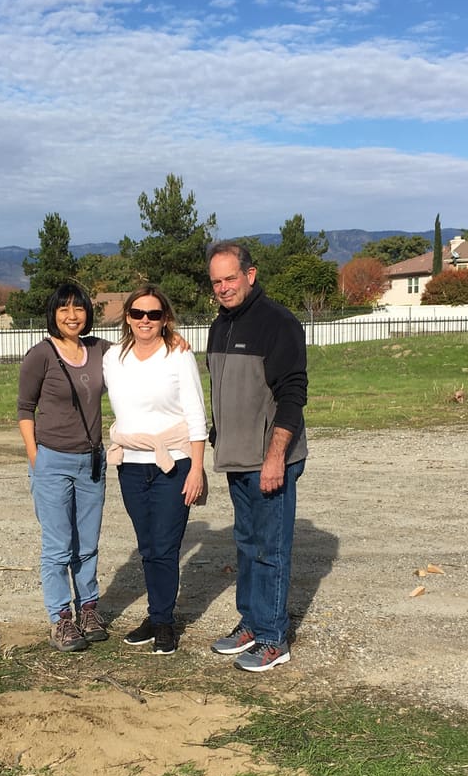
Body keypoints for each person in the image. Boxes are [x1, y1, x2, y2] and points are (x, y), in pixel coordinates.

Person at [204, 240, 308, 672]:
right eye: (216, 282)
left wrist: (275, 457)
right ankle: (251, 621)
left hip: (269, 460)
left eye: (230, 278)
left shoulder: (278, 323)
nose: (224, 288)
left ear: (250, 274)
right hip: (236, 456)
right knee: (246, 546)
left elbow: (292, 395)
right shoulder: (220, 325)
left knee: (271, 548)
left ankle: (272, 637)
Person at [102, 286, 208, 655]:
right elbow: (74, 350)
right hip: (131, 465)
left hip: (173, 463)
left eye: (154, 314)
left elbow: (196, 414)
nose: (144, 321)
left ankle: (163, 621)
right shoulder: (113, 357)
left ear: (166, 318)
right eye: (137, 314)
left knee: (165, 547)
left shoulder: (177, 355)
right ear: (127, 317)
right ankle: (155, 613)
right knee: (147, 546)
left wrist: (197, 468)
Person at [17, 283, 110, 652]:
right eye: (64, 309)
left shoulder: (101, 350)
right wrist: (36, 457)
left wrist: (173, 341)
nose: (72, 315)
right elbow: (25, 408)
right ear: (53, 314)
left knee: (87, 544)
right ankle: (61, 620)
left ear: (88, 312)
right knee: (58, 546)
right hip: (52, 459)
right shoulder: (40, 355)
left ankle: (88, 609)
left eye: (79, 308)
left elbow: (140, 355)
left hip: (92, 461)